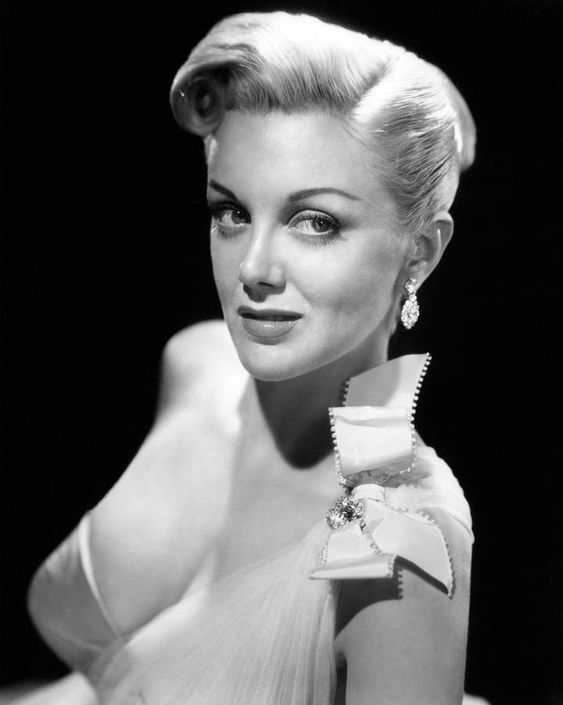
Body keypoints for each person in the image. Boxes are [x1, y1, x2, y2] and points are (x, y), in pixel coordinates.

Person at [5, 11, 484, 705]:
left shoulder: (402, 543)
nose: (253, 268)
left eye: (315, 221)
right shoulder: (198, 364)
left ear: (422, 251)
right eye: (231, 212)